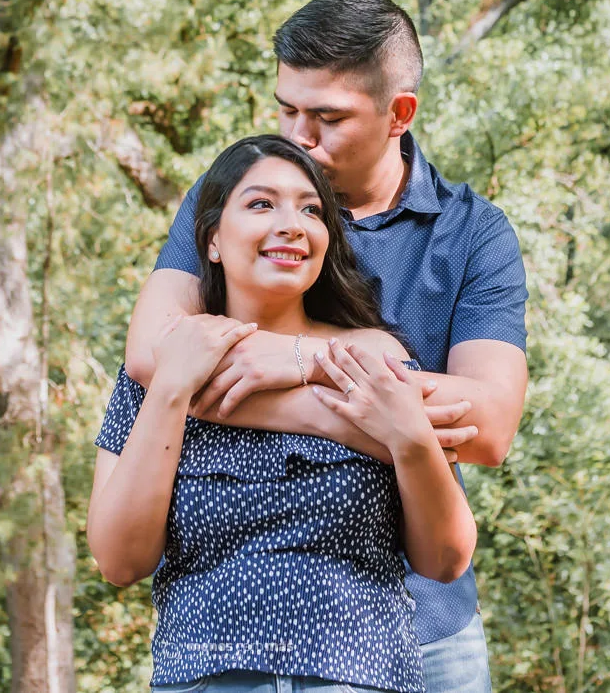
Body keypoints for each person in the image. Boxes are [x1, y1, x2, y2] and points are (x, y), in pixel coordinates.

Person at [125, 0, 529, 693]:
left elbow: (489, 426)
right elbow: (152, 356)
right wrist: (356, 406)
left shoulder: (474, 234)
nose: (297, 137)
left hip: (430, 621)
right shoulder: (231, 198)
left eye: (327, 117)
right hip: (236, 637)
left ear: (399, 113)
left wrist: (291, 360)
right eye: (286, 109)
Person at [88, 134, 475, 693]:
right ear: (212, 241)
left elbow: (446, 558)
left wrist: (410, 439)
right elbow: (118, 561)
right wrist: (173, 389)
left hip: (359, 677)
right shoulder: (159, 364)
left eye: (311, 209)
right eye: (261, 203)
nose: (292, 224)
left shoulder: (373, 358)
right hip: (206, 676)